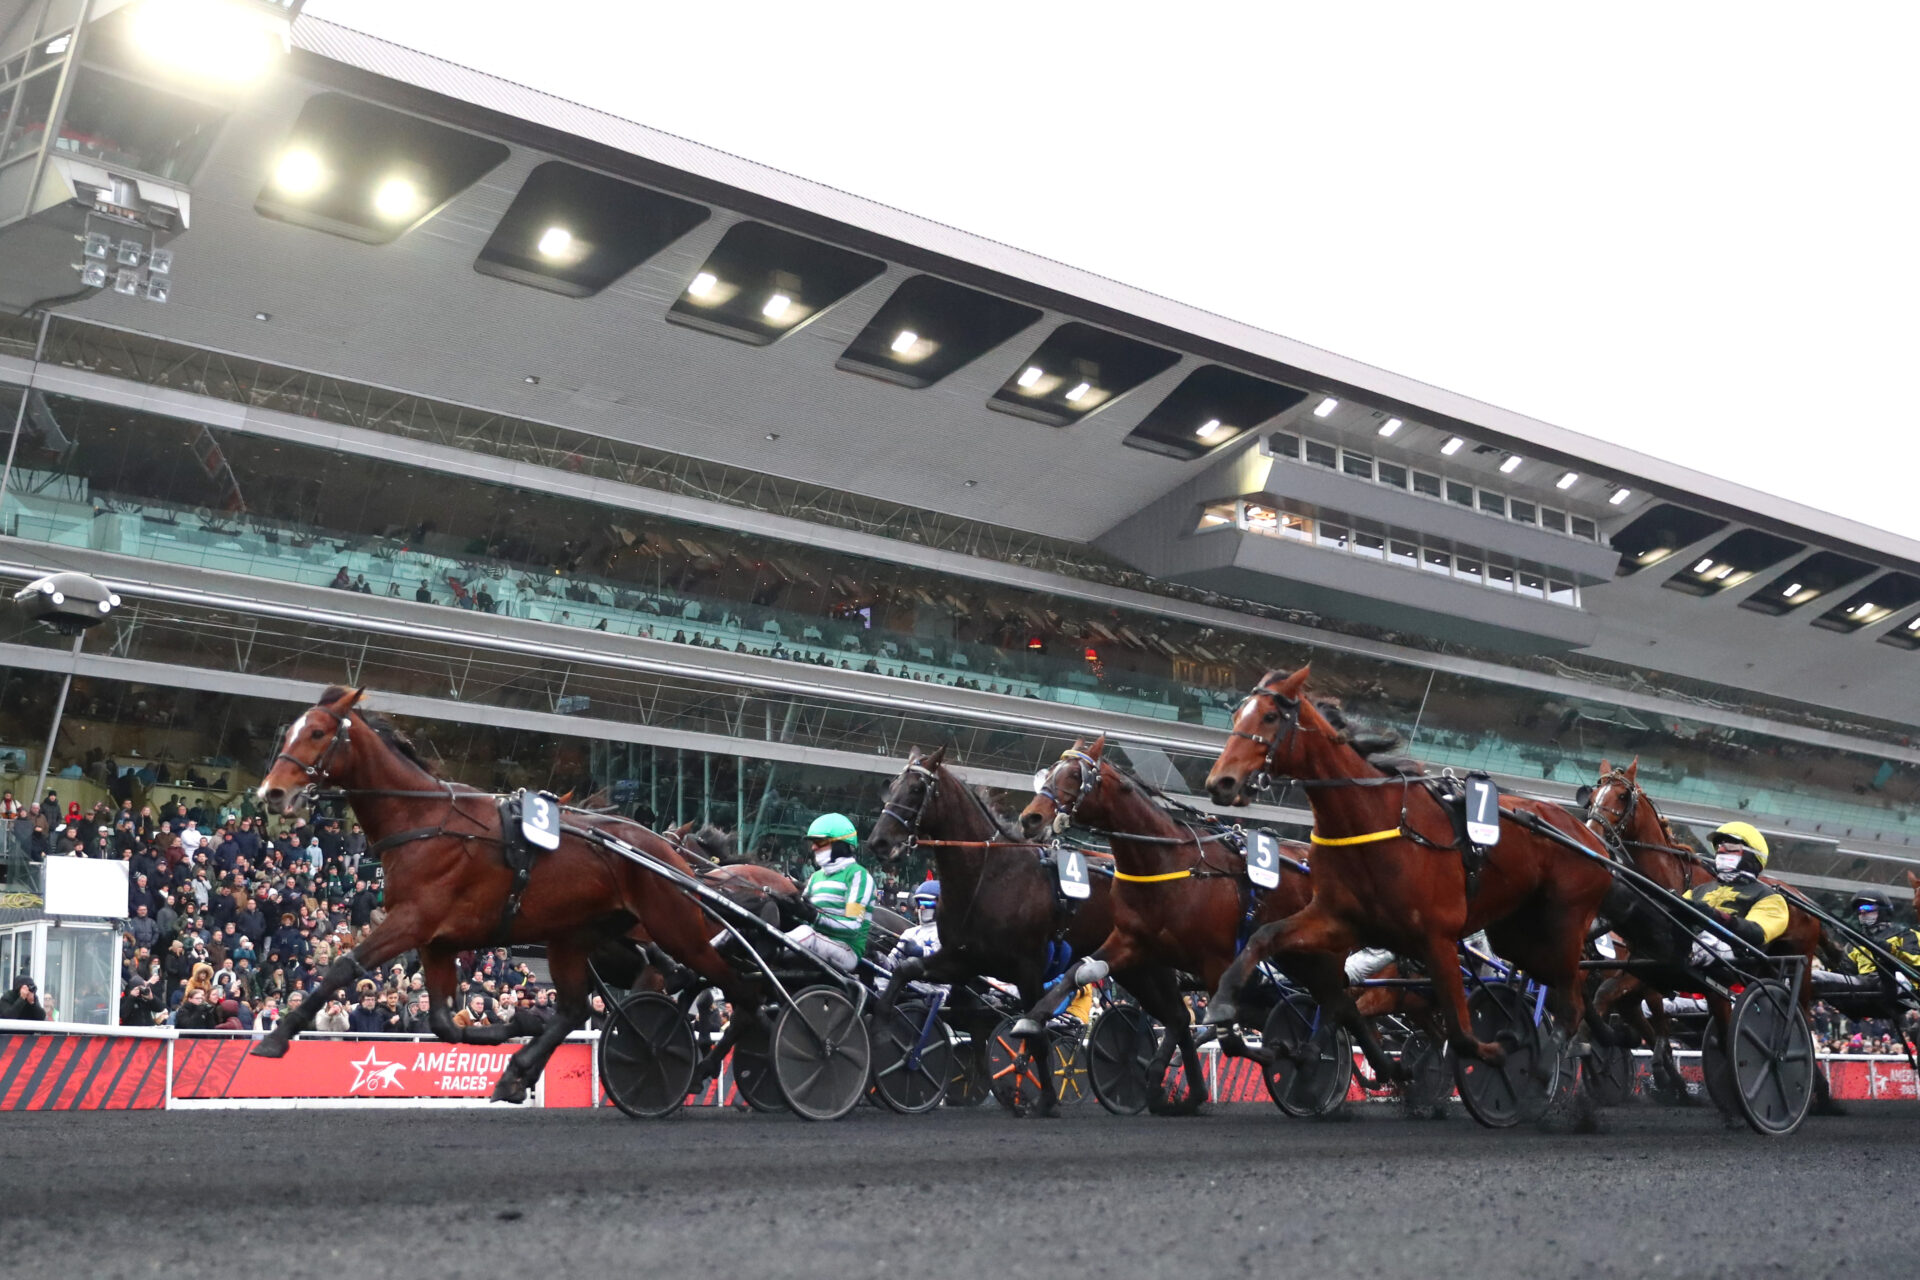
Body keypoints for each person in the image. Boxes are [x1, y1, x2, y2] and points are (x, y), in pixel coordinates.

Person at [783, 813, 876, 974]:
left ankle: (764, 956)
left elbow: (853, 926)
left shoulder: (858, 876)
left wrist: (814, 917)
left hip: (846, 950)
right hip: (816, 942)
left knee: (807, 934)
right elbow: (803, 912)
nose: (813, 847)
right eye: (813, 843)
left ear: (840, 845)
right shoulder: (816, 877)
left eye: (820, 842)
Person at [1684, 822, 1789, 965]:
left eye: (1730, 847)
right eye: (1719, 847)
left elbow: (1756, 933)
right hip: (1685, 943)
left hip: (1732, 959)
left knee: (1709, 939)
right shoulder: (1697, 891)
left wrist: (1716, 916)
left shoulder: (1769, 897)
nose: (1721, 851)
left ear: (1752, 855)